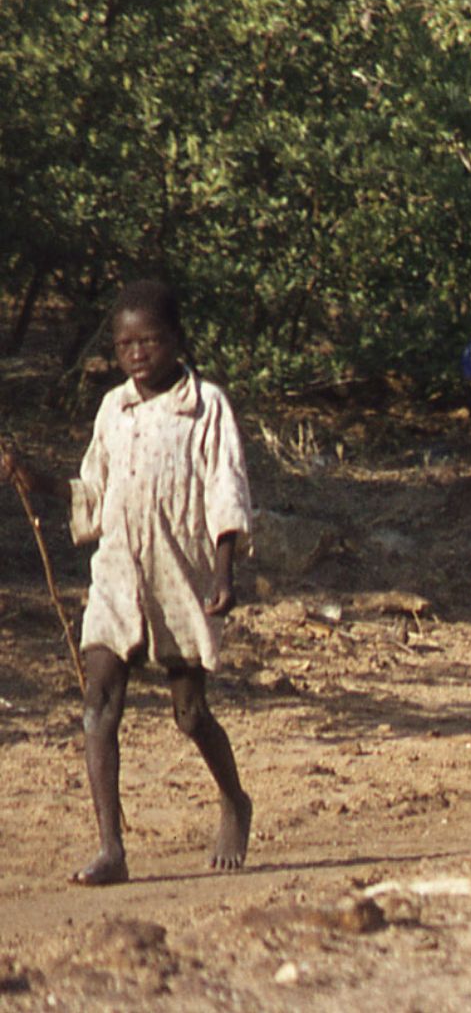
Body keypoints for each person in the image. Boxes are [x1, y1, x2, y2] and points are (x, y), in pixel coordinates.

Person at [1, 280, 253, 885]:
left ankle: (235, 800)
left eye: (150, 341)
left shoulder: (206, 406)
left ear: (177, 341)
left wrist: (224, 571)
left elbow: (227, 491)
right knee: (98, 706)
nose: (137, 354)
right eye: (124, 345)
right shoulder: (114, 408)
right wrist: (37, 479)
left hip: (180, 575)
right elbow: (95, 490)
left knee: (189, 715)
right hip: (116, 573)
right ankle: (111, 848)